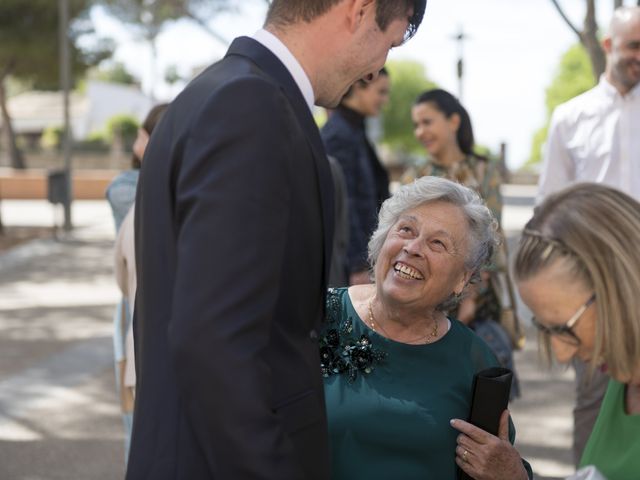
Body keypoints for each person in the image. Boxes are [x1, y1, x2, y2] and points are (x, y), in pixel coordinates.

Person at [126, 1, 427, 479]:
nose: (378, 70)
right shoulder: (253, 106)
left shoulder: (214, 93)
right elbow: (213, 343)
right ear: (360, 10)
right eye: (390, 43)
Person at [321, 176, 532, 480]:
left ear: (463, 277)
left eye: (438, 243)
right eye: (406, 229)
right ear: (382, 241)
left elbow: (500, 466)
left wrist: (514, 475)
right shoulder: (316, 317)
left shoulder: (475, 362)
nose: (414, 248)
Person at [536, 6, 640, 463]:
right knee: (594, 400)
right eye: (635, 45)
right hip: (594, 292)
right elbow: (549, 209)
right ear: (608, 45)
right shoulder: (570, 117)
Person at [514, 183, 640, 479]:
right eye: (544, 328)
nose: (561, 352)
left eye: (564, 328)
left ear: (622, 289)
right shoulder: (621, 375)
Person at [409, 88, 520, 398]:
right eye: (416, 125)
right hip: (426, 305)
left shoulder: (485, 172)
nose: (421, 132)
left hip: (480, 309)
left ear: (453, 121)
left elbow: (490, 242)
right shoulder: (415, 175)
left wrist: (468, 297)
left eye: (427, 121)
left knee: (483, 403)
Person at [106, 103, 167, 461]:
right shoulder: (127, 189)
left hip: (137, 310)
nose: (137, 141)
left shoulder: (139, 187)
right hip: (132, 310)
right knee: (137, 426)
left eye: (146, 134)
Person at [321, 68, 391, 286]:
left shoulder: (353, 130)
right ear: (360, 86)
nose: (384, 100)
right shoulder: (340, 134)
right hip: (350, 269)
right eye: (381, 91)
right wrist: (357, 265)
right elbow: (345, 204)